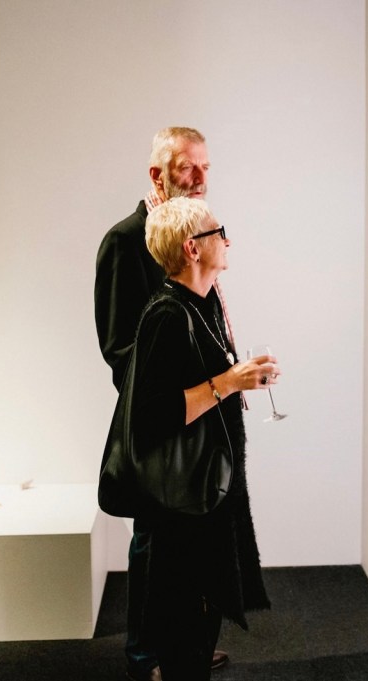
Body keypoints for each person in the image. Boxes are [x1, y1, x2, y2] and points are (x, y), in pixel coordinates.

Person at [94, 127, 230, 680]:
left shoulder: (197, 233)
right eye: (186, 168)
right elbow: (118, 345)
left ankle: (184, 646)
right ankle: (145, 656)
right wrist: (166, 397)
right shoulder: (126, 241)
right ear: (157, 175)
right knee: (153, 542)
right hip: (158, 421)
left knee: (192, 540)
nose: (199, 178)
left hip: (200, 412)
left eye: (204, 167)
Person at [131, 196, 272, 680]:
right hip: (185, 503)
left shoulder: (203, 305)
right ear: (193, 248)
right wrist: (231, 382)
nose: (227, 240)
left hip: (210, 493)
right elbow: (155, 415)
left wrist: (239, 377)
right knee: (185, 631)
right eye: (219, 232)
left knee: (202, 621)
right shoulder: (167, 315)